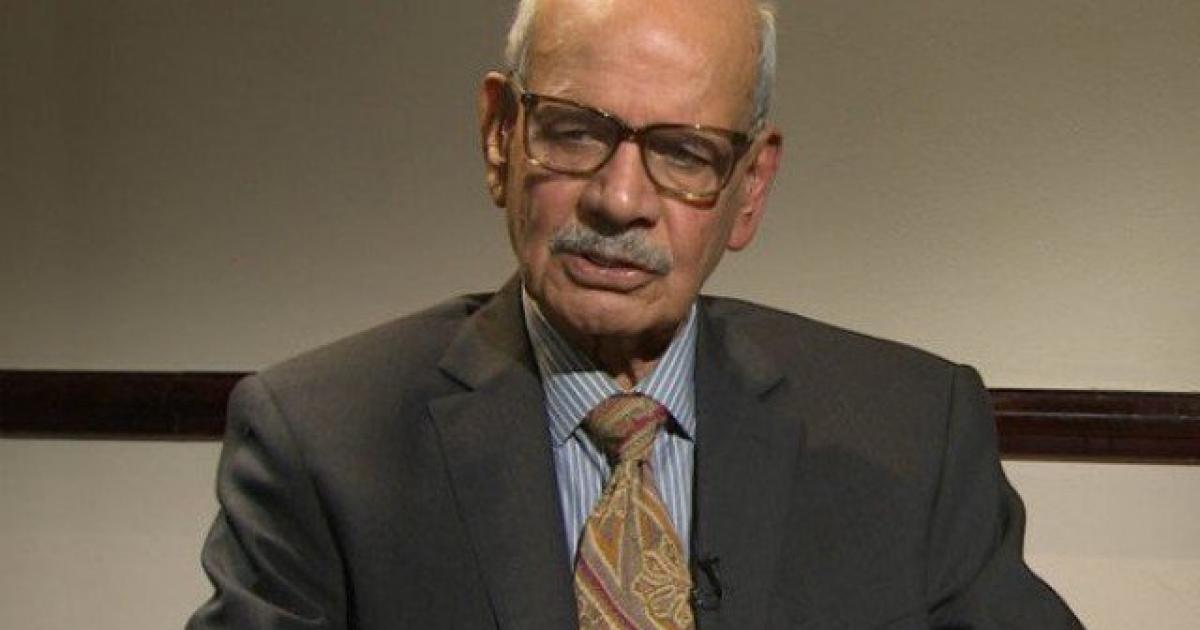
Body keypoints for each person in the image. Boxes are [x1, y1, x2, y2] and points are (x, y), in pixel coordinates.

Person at [188, 0, 1082, 628]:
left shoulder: (913, 433)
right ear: (500, 136)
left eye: (684, 152)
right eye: (575, 131)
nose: (620, 200)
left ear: (749, 189)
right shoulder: (322, 444)